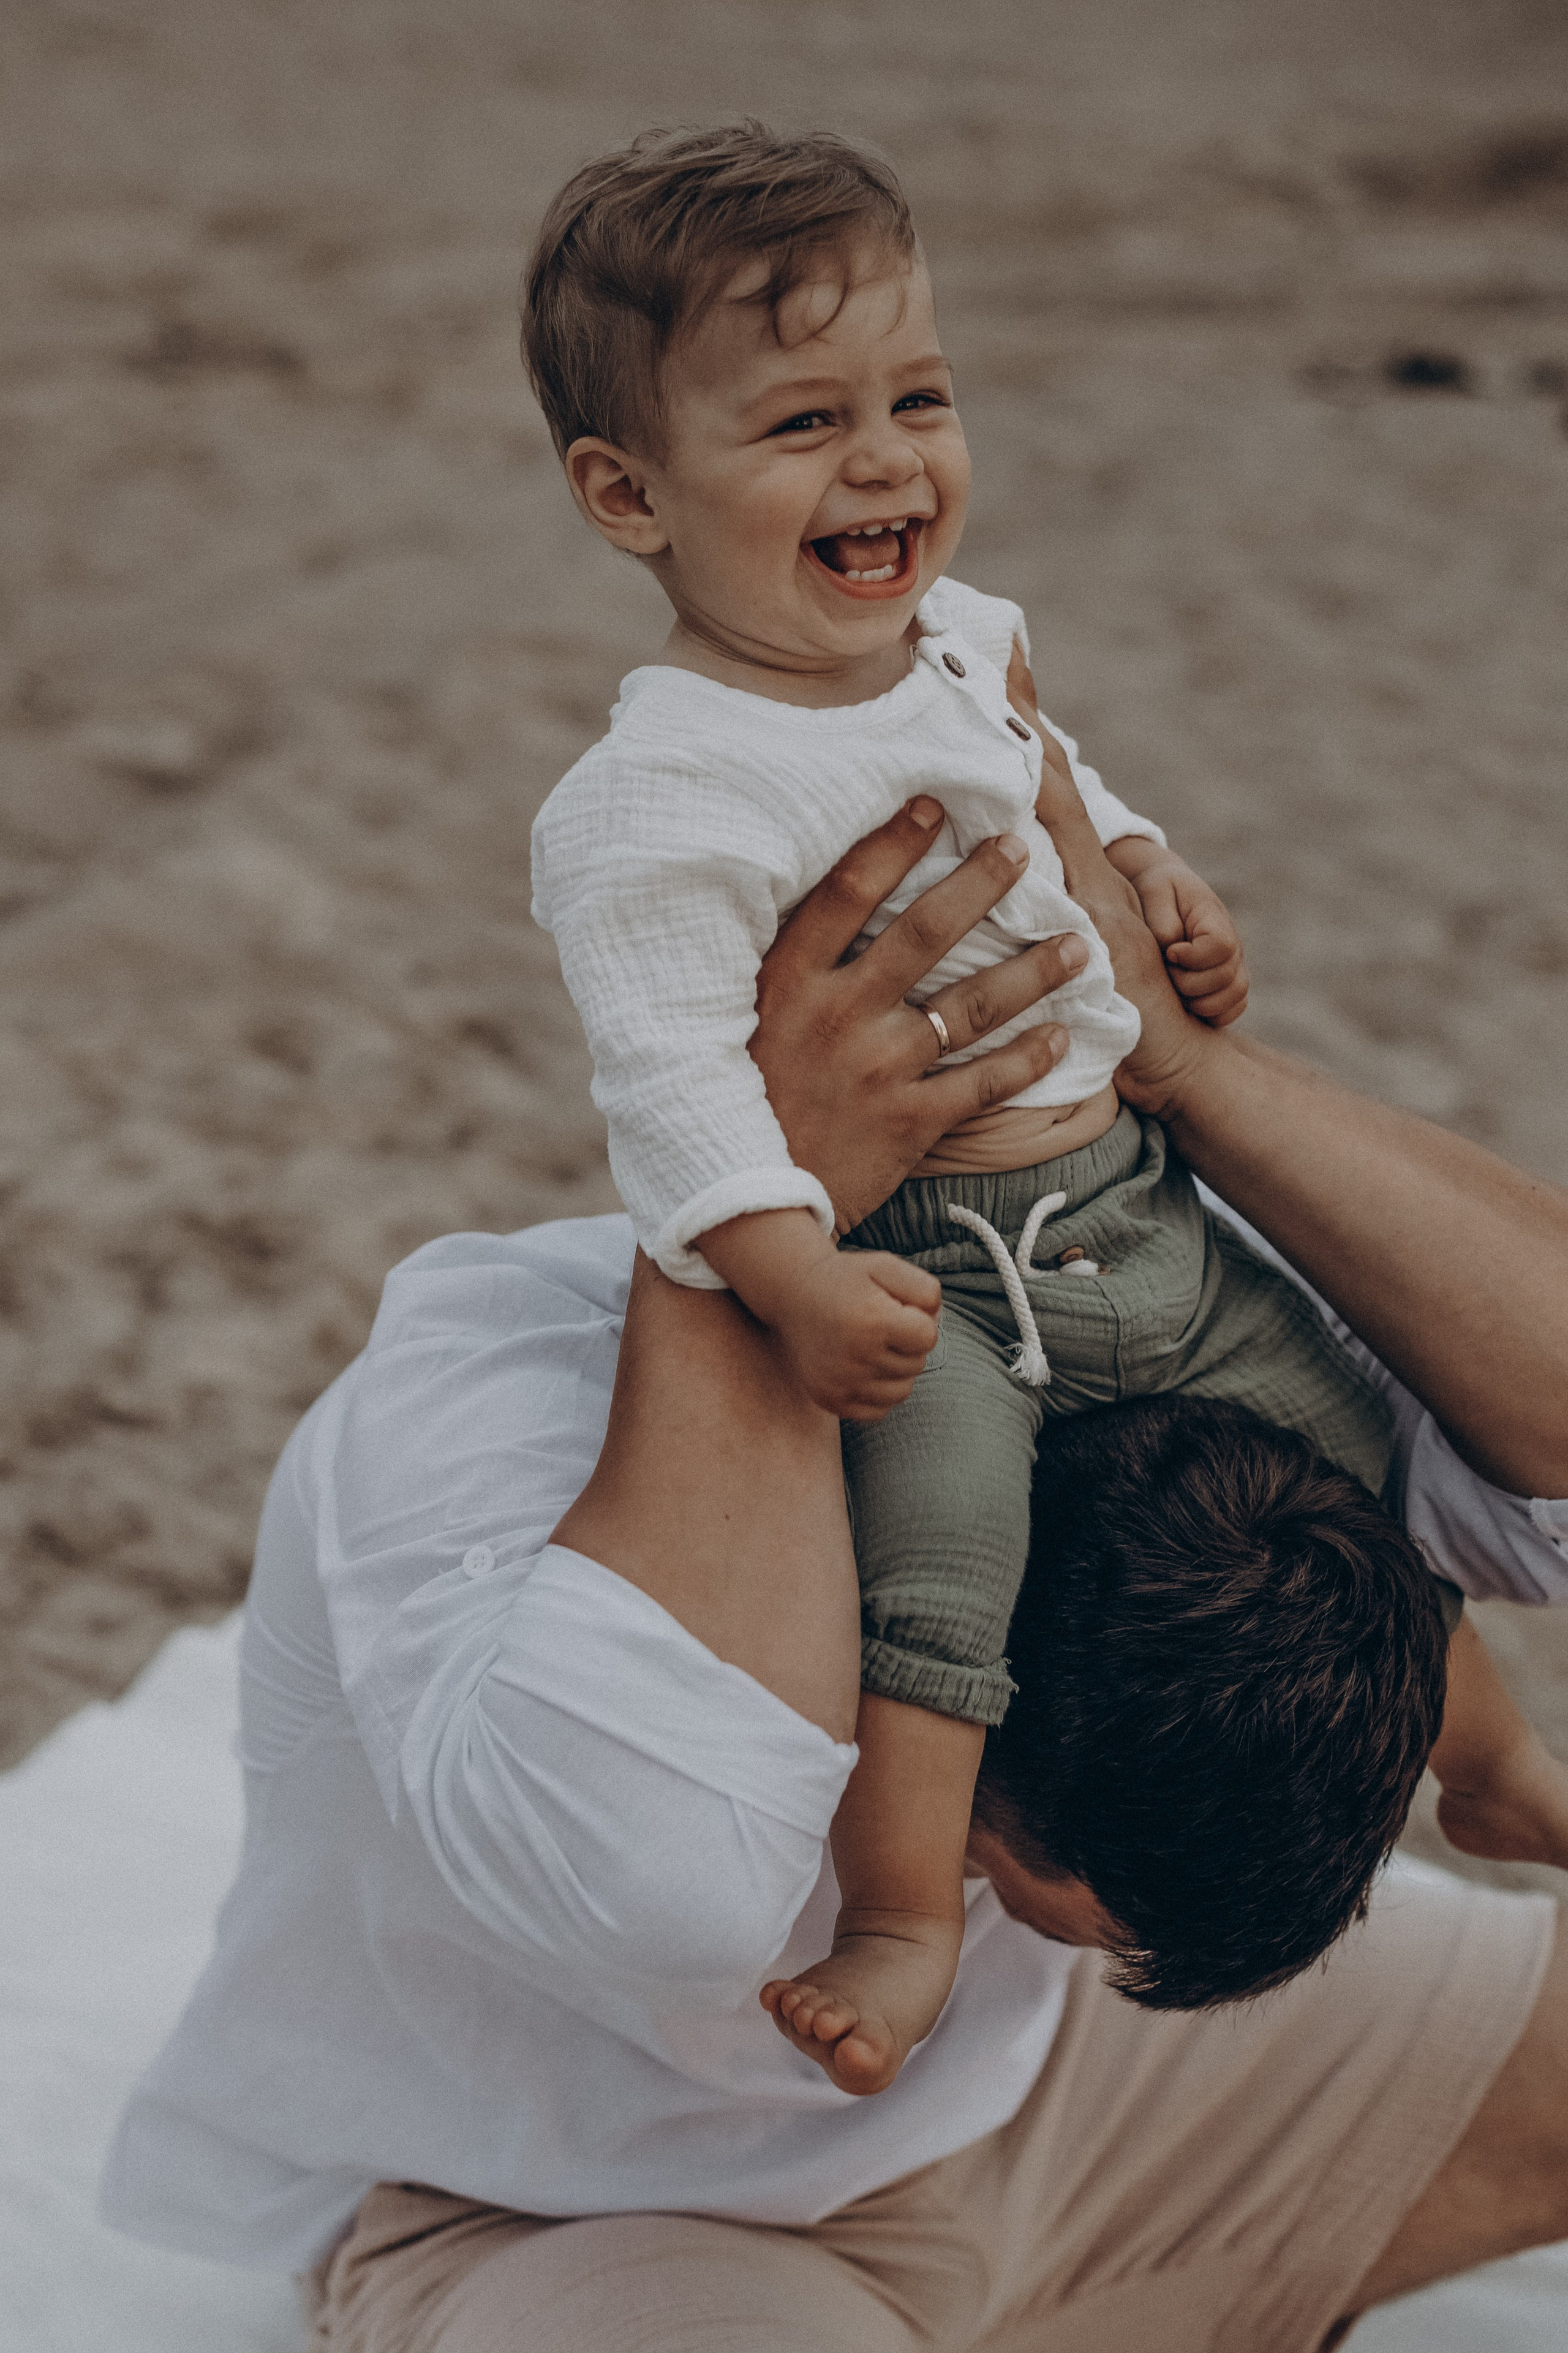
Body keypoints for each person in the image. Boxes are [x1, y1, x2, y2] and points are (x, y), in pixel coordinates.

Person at [102, 779, 1568, 2351]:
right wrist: (736, 1193)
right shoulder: (488, 1405)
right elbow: (662, 1880)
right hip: (572, 2212)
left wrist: (1196, 1071)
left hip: (1081, 2108)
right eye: (1040, 1897)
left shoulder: (1150, 1375)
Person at [524, 121, 1568, 2090]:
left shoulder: (969, 640)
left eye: (917, 396)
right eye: (804, 423)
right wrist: (795, 1270)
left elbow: (1056, 795)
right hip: (936, 1283)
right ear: (624, 492)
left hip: (1145, 1207)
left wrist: (1164, 893)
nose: (887, 461)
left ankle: (1497, 1765)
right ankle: (910, 1910)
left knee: (1344, 1468)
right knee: (942, 1579)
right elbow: (667, 1083)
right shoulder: (660, 799)